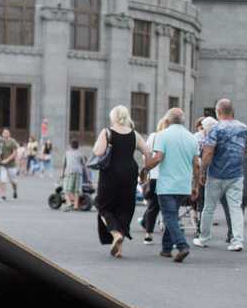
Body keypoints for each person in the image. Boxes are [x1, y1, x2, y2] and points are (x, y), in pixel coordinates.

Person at [89, 105, 154, 258]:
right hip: (130, 172)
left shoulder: (107, 132)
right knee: (124, 208)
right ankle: (119, 249)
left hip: (110, 173)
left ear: (113, 117)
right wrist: (145, 170)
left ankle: (115, 233)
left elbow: (98, 152)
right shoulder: (134, 134)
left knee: (103, 205)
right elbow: (147, 152)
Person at [142, 108, 200, 263]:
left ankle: (182, 246)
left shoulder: (162, 136)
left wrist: (146, 167)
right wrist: (196, 186)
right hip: (183, 186)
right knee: (172, 214)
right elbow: (196, 165)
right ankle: (166, 249)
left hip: (167, 184)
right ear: (183, 121)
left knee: (169, 217)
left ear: (167, 121)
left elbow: (158, 157)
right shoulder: (192, 138)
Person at [193, 99, 247, 251]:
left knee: (209, 207)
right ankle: (237, 240)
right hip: (236, 174)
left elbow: (208, 151)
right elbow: (245, 150)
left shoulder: (215, 129)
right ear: (232, 110)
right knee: (235, 208)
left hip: (216, 174)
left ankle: (203, 237)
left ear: (218, 112)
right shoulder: (243, 128)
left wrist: (203, 171)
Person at [139, 116, 168, 242]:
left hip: (155, 176)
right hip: (169, 178)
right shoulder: (172, 138)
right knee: (169, 208)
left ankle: (148, 234)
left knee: (153, 207)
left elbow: (146, 154)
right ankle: (169, 237)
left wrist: (146, 169)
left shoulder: (154, 136)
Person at [61, 139, 86, 211]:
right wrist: (88, 178)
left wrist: (62, 174)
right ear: (78, 146)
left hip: (70, 172)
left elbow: (64, 164)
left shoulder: (67, 153)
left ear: (70, 145)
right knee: (77, 190)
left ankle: (69, 204)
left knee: (66, 189)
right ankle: (75, 206)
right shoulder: (80, 154)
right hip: (79, 173)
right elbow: (84, 166)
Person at [0, 127, 19, 199]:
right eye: (4, 133)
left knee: (13, 181)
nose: (5, 134)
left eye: (7, 133)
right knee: (3, 179)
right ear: (2, 134)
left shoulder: (12, 141)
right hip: (2, 164)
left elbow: (15, 153)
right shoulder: (0, 141)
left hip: (11, 164)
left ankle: (15, 190)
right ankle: (3, 195)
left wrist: (7, 160)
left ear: (9, 134)